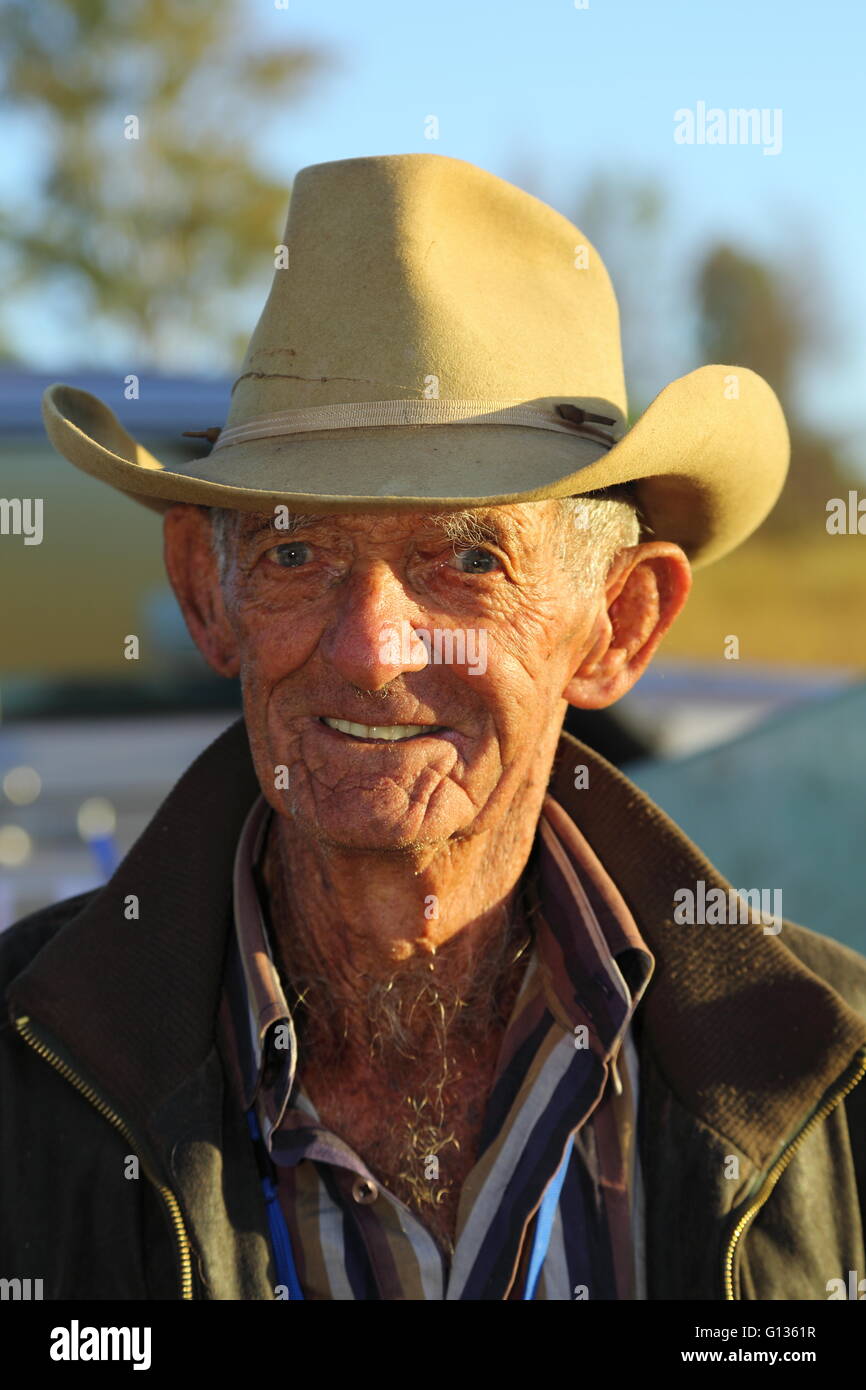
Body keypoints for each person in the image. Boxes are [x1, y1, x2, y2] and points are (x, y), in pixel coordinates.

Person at [3, 153, 865, 1301]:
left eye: (466, 559)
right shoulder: (27, 1076)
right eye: (296, 552)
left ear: (616, 622)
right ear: (209, 599)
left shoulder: (829, 1082)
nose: (370, 649)